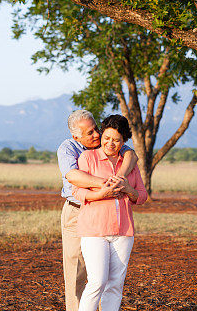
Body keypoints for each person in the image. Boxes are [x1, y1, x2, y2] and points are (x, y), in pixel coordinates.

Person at [57, 110, 138, 311]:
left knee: (104, 274)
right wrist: (107, 184)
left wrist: (118, 178)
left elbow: (131, 154)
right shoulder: (68, 147)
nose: (96, 136)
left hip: (107, 213)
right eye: (90, 133)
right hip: (77, 210)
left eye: (96, 129)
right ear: (76, 136)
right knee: (77, 270)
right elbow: (74, 176)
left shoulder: (109, 143)